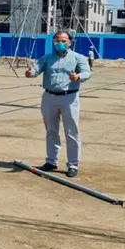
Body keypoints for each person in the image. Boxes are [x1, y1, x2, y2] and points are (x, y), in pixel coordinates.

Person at [25, 31, 92, 178]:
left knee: (71, 132)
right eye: (56, 41)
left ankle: (73, 164)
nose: (59, 43)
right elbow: (37, 68)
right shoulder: (47, 58)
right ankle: (51, 161)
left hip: (69, 97)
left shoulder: (78, 58)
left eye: (63, 41)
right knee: (51, 130)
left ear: (69, 42)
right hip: (49, 97)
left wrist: (78, 76)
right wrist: (31, 72)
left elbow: (87, 72)